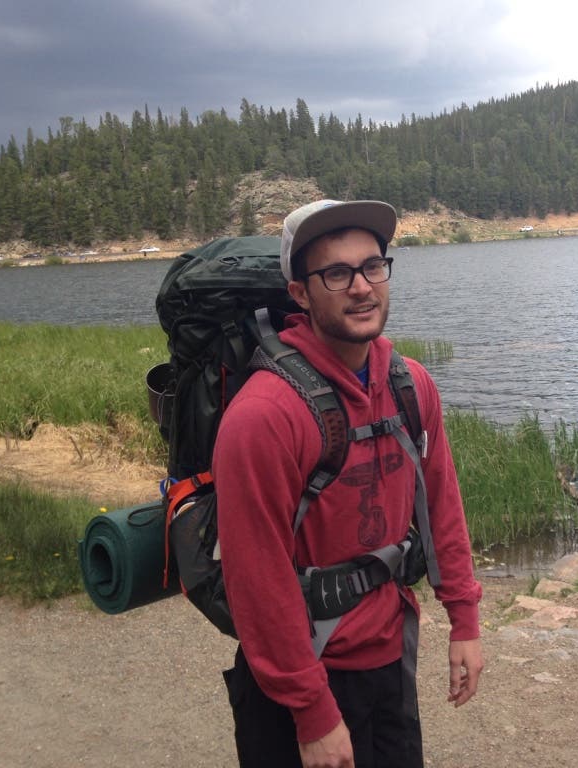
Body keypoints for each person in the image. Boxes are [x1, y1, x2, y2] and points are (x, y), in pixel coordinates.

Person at [212, 199, 484, 768]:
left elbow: (441, 510)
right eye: (336, 273)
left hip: (388, 664)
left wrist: (465, 620)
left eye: (373, 266)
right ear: (300, 294)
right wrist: (312, 711)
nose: (361, 287)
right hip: (299, 681)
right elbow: (257, 579)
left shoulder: (412, 386)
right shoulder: (264, 415)